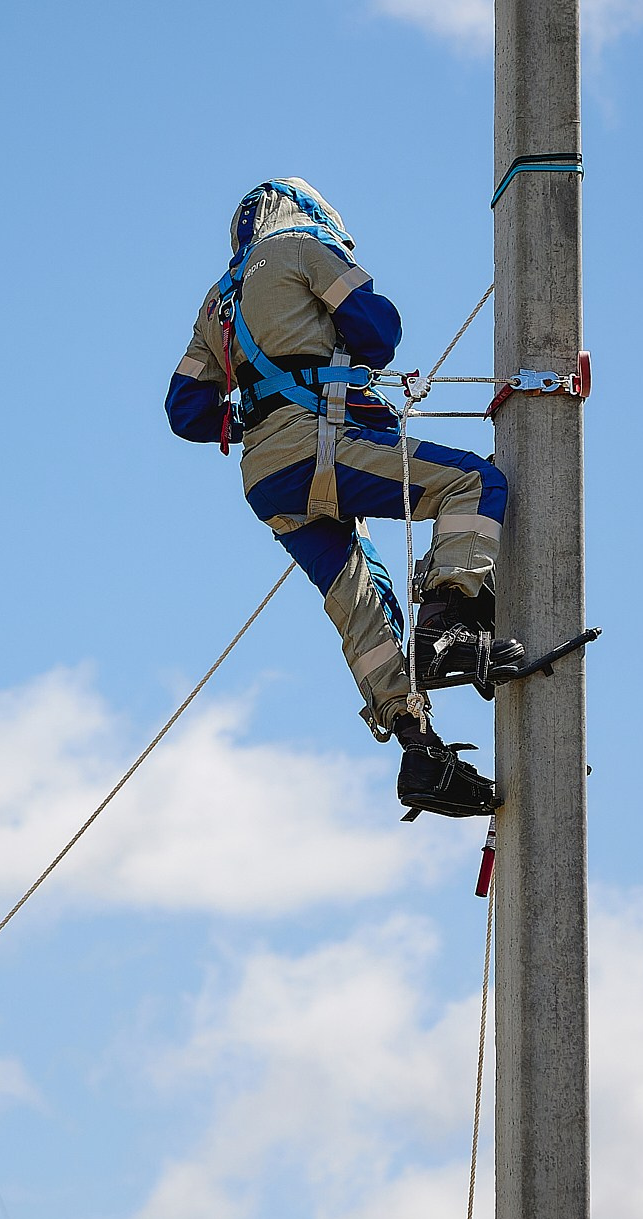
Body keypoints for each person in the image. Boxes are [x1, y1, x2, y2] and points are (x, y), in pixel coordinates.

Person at [163, 178, 522, 818]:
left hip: (268, 478)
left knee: (358, 598)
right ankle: (450, 623)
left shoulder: (216, 302)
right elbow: (378, 332)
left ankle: (419, 750)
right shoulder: (300, 250)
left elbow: (185, 410)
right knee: (473, 483)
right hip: (323, 444)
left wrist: (256, 415)